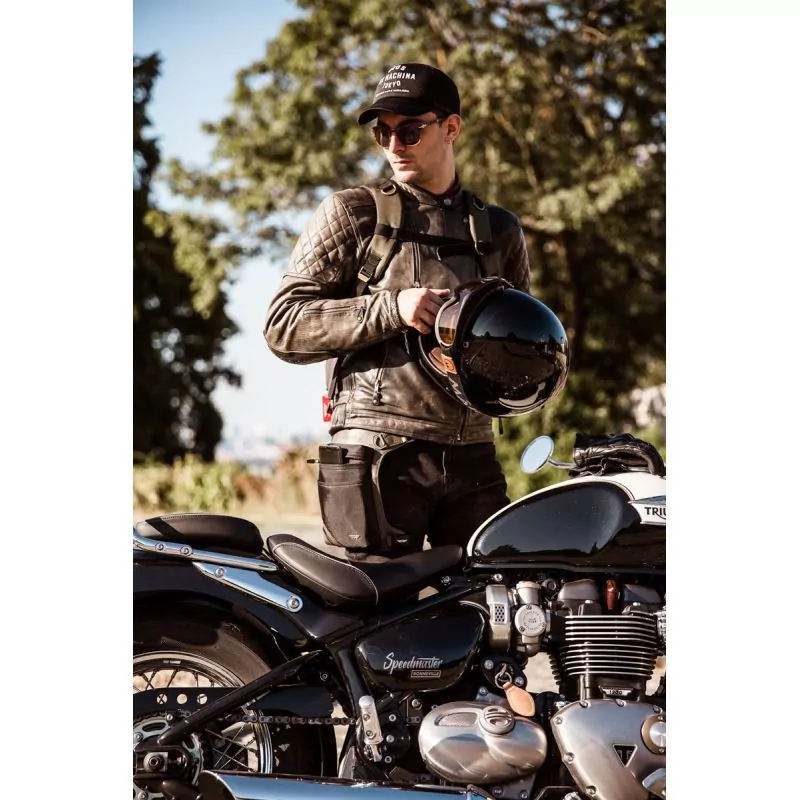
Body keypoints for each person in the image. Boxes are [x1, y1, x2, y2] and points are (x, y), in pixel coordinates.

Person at [264, 63, 536, 563]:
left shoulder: (500, 230)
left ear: (451, 128)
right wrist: (393, 307)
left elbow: (520, 346)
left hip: (473, 455)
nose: (394, 145)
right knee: (376, 608)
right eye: (382, 132)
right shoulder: (351, 213)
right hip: (376, 454)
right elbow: (284, 325)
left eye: (410, 131)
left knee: (497, 600)